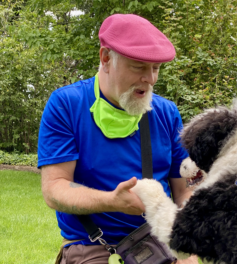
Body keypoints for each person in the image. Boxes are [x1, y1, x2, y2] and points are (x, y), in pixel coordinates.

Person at [38, 14, 198, 264]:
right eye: (139, 66)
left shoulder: (167, 112)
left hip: (158, 243)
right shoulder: (66, 104)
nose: (151, 78)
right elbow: (54, 188)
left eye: (156, 68)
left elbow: (184, 190)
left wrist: (188, 242)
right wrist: (110, 201)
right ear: (106, 58)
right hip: (89, 244)